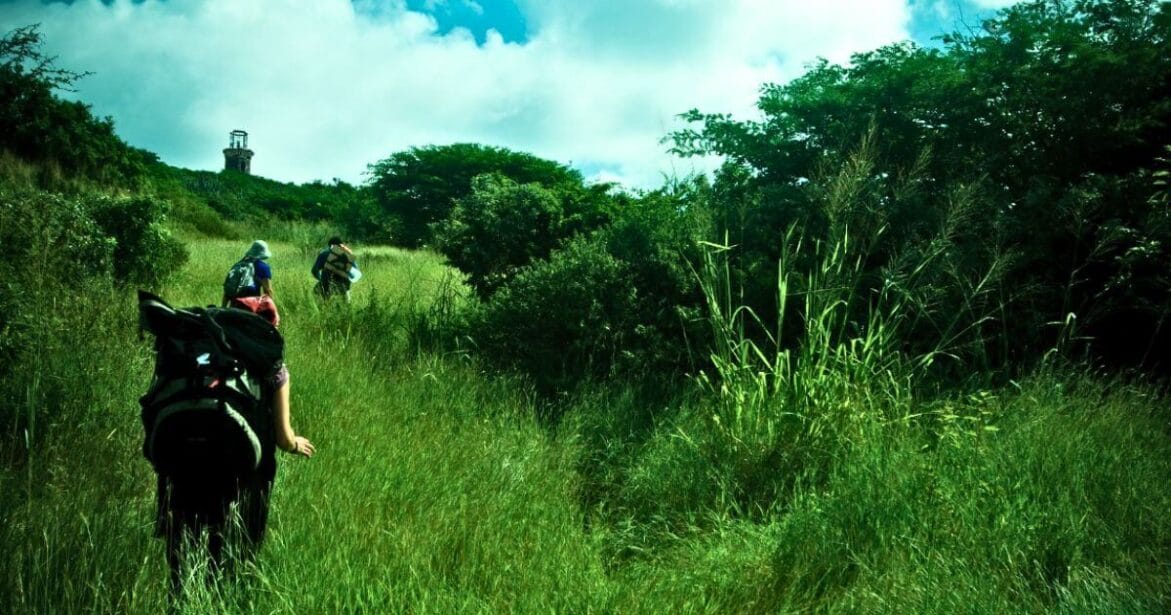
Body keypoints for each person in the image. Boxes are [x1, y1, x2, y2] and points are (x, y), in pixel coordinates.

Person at [151, 296, 314, 594]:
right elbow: (282, 437)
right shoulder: (270, 360)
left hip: (177, 442)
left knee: (181, 514)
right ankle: (240, 566)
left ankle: (177, 583)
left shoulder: (190, 348)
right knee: (258, 474)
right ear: (268, 325)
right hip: (229, 450)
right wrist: (294, 444)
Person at [222, 240, 274, 307]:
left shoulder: (238, 265)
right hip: (250, 307)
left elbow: (228, 288)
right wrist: (271, 309)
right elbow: (268, 291)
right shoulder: (264, 267)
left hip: (234, 307)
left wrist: (223, 307)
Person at [311, 236, 360, 302]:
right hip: (343, 288)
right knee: (347, 306)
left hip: (326, 286)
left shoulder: (323, 254)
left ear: (330, 245)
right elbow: (356, 272)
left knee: (320, 301)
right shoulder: (347, 255)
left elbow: (314, 271)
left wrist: (320, 280)